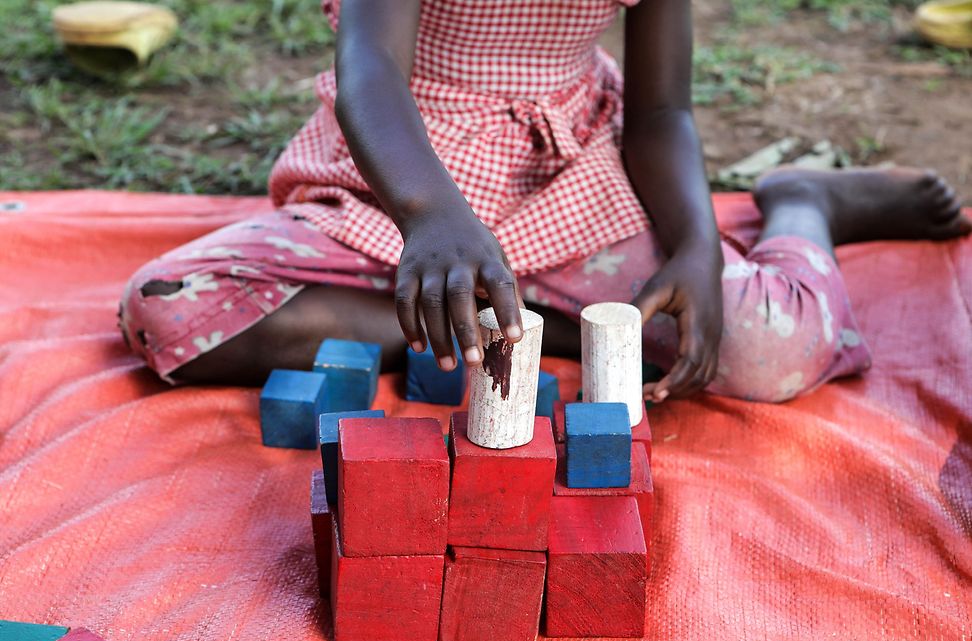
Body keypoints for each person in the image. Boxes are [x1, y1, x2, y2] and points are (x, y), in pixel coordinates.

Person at [118, 0, 969, 404]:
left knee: (770, 353)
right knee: (172, 312)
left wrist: (697, 247)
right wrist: (431, 215)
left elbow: (662, 111)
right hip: (406, 172)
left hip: (573, 179)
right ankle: (557, 329)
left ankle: (803, 208)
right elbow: (368, 71)